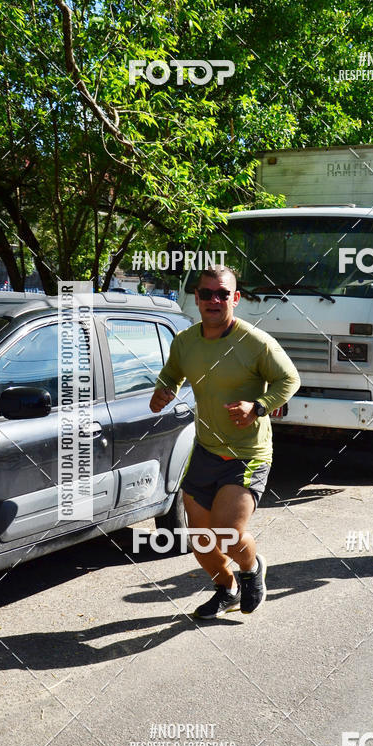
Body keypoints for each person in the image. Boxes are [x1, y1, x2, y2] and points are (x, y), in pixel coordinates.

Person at [149, 265, 300, 618]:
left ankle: (251, 569)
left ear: (236, 298)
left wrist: (258, 406)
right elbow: (171, 374)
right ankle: (227, 589)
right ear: (197, 297)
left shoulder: (255, 342)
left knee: (226, 534)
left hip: (247, 453)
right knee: (201, 539)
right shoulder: (185, 342)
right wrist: (163, 391)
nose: (214, 300)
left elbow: (289, 379)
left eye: (222, 294)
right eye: (207, 294)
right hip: (206, 450)